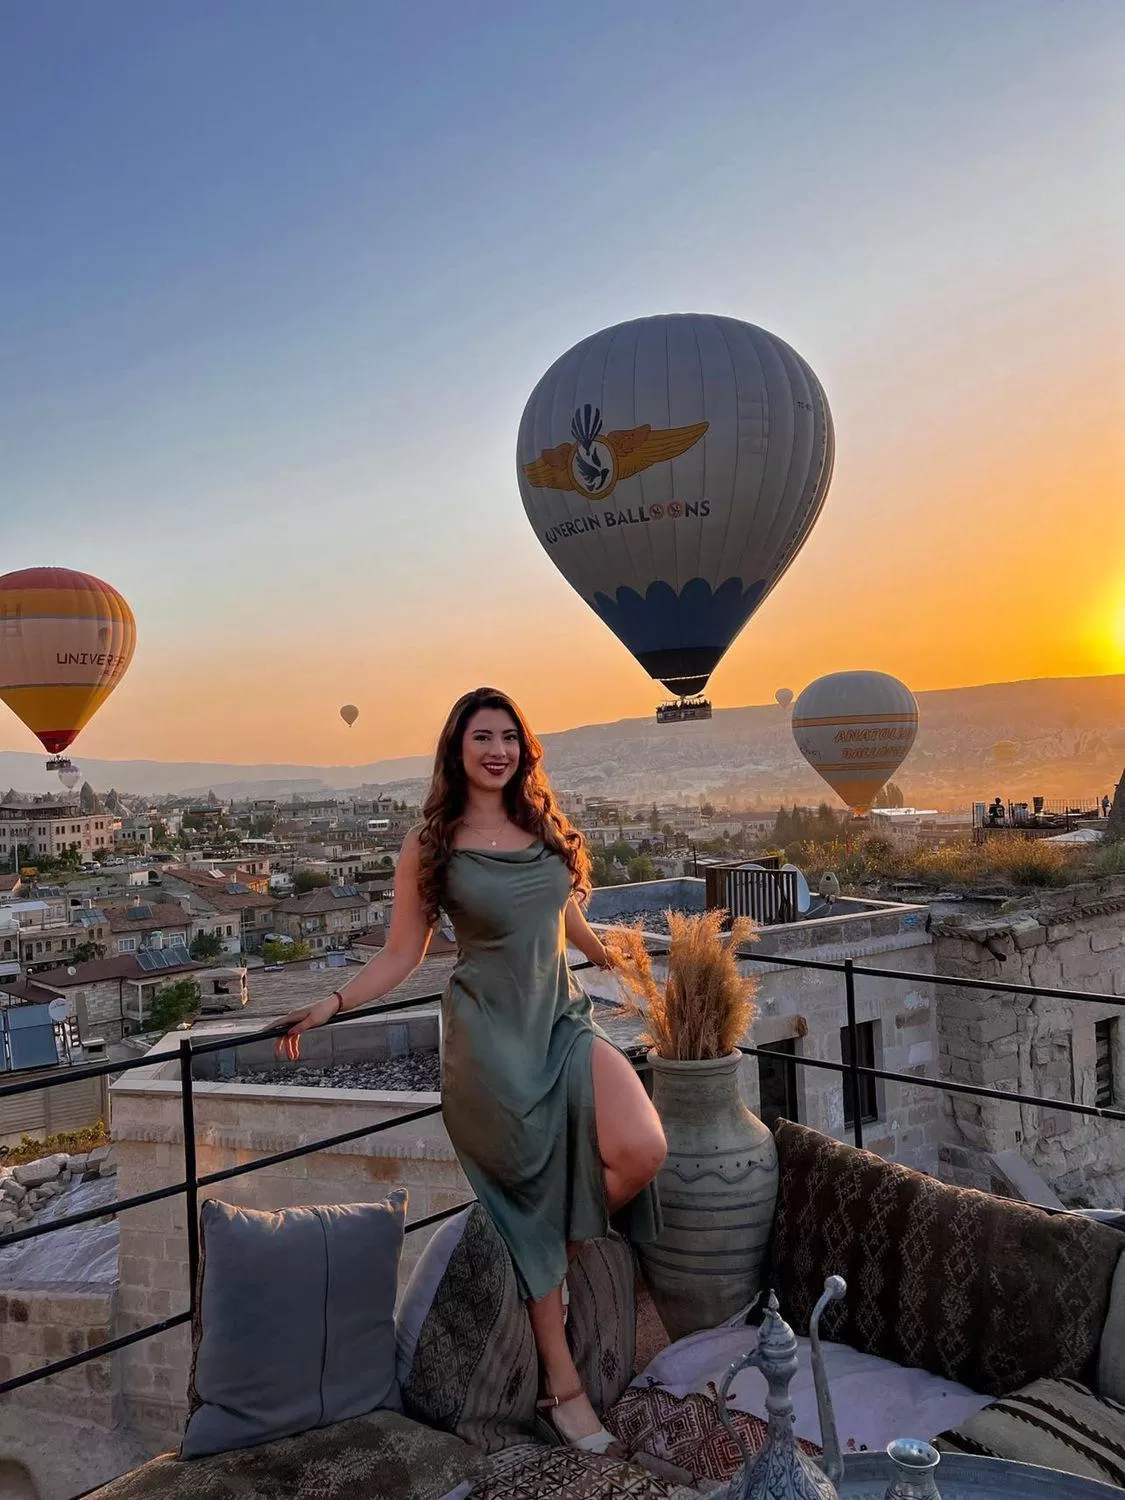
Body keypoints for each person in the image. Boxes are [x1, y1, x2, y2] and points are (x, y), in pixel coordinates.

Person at [276, 686, 665, 1454]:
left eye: (509, 737)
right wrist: (330, 1002)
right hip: (489, 1045)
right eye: (482, 736)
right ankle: (563, 1390)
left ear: (525, 748)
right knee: (533, 1201)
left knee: (642, 1147)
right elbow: (402, 953)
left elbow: (561, 912)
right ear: (456, 748)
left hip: (562, 1021)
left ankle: (544, 1257)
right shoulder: (431, 844)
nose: (498, 750)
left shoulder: (542, 825)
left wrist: (614, 953)